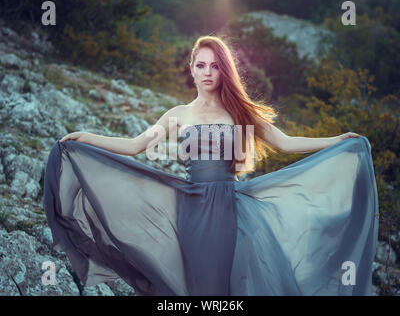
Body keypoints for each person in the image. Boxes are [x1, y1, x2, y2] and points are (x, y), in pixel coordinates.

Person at [43, 35, 379, 296]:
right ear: (191, 68)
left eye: (215, 66)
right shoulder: (178, 115)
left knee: (220, 287)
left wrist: (336, 141)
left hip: (227, 211)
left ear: (224, 70)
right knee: (196, 286)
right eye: (201, 65)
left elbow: (285, 143)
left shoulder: (239, 113)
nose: (207, 72)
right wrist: (86, 137)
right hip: (189, 210)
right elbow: (134, 147)